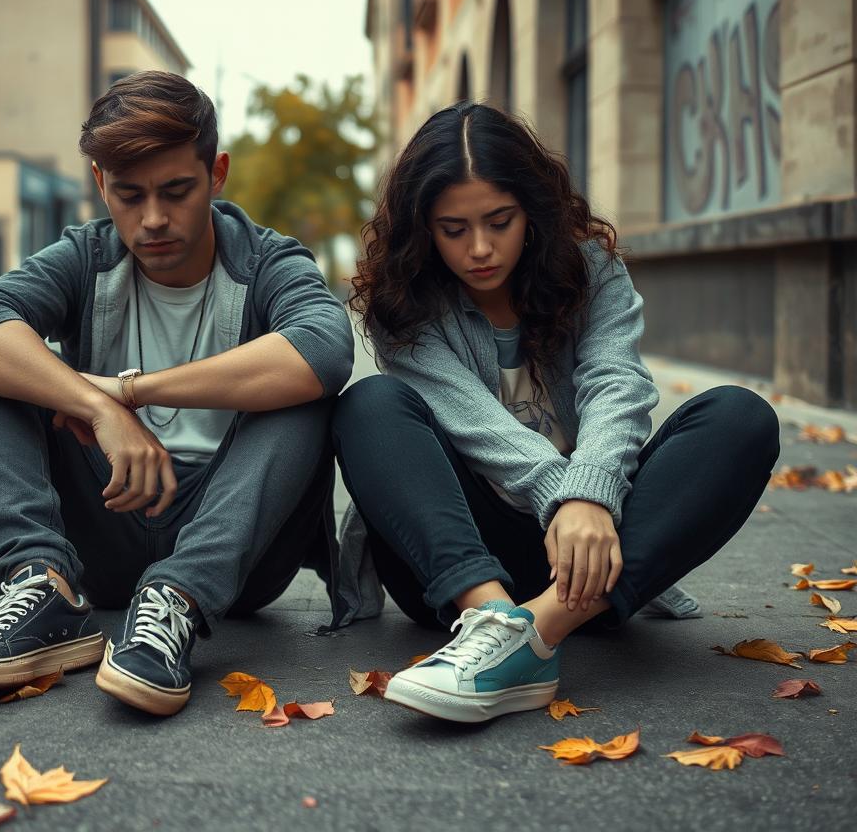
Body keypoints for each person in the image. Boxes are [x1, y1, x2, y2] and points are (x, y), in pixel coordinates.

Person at [332, 102, 779, 723]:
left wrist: (592, 498)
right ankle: (491, 621)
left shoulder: (590, 270)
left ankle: (534, 634)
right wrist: (568, 494)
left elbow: (614, 383)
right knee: (369, 404)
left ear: (533, 212)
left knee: (741, 418)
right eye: (453, 229)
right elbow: (470, 420)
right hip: (459, 564)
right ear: (422, 228)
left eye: (500, 220)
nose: (480, 248)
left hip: (588, 554)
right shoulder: (404, 302)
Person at [0, 71, 353, 717]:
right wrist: (98, 408)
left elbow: (325, 346)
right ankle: (39, 590)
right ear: (101, 184)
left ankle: (175, 603)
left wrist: (132, 390)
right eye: (128, 196)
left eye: (177, 191)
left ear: (217, 173)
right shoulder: (86, 257)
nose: (153, 220)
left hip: (235, 550)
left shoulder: (268, 260)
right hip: (103, 523)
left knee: (303, 386)